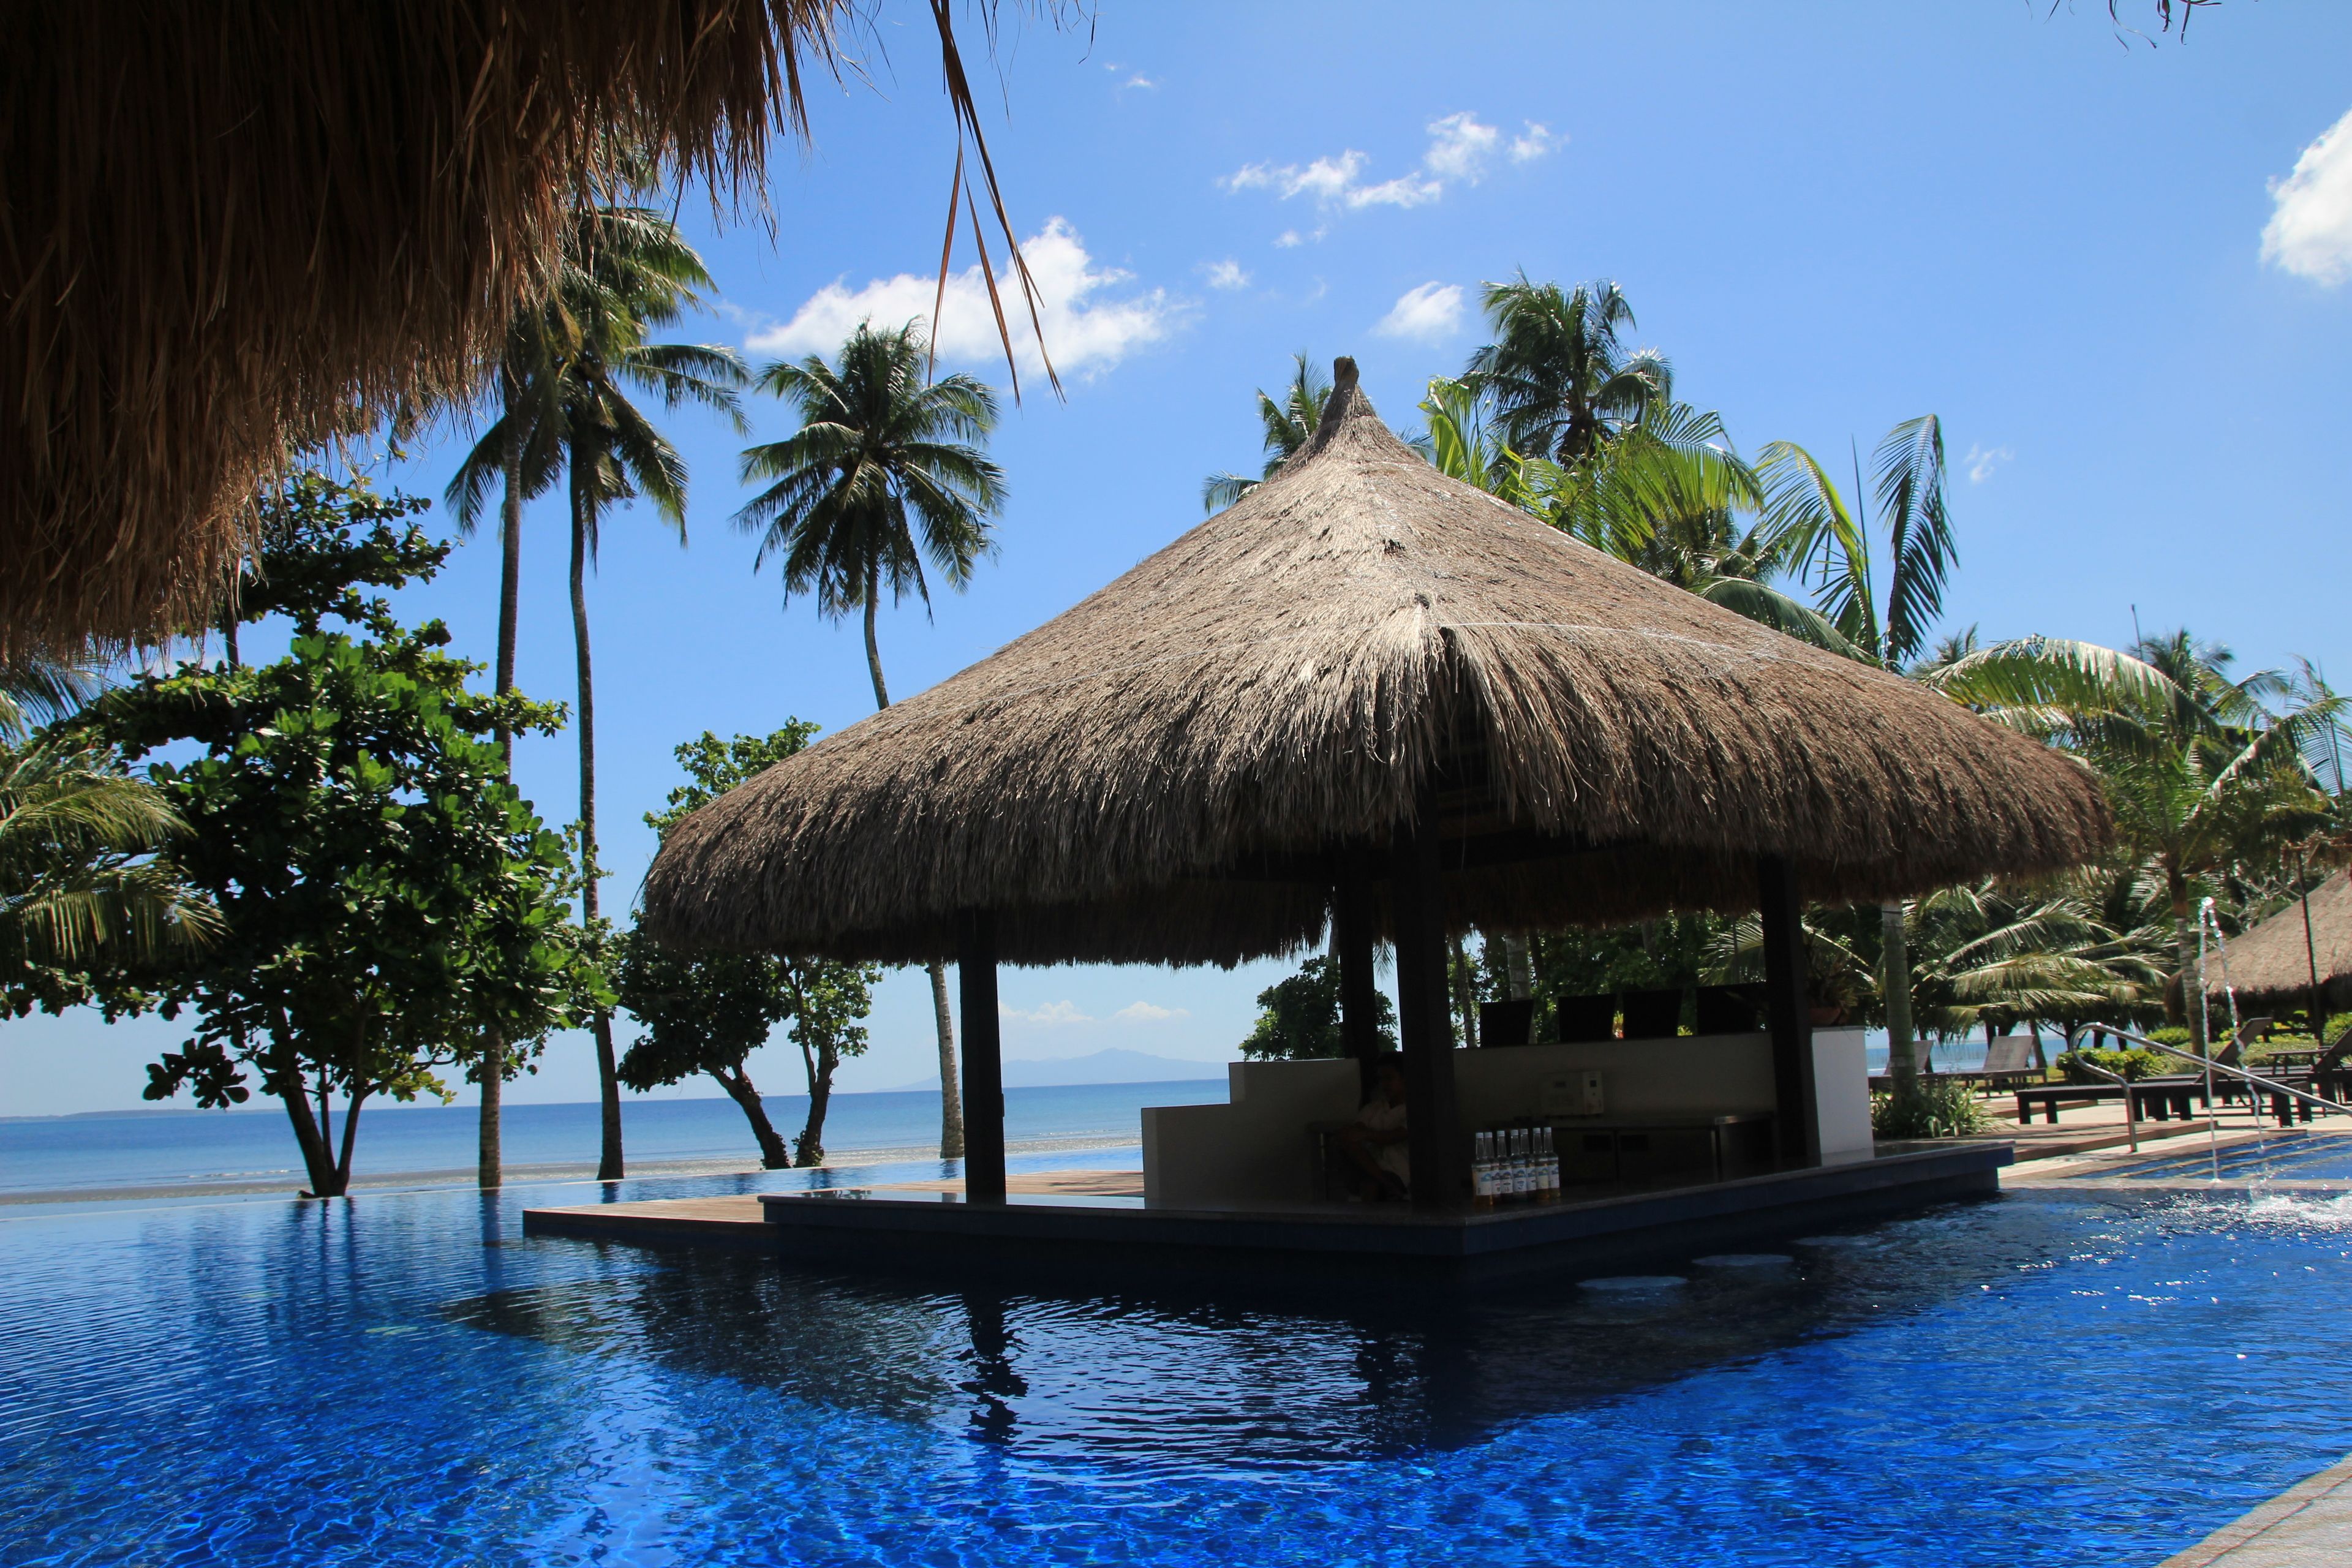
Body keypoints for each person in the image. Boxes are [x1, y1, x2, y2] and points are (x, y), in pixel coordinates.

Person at [1336, 1055, 1410, 1200]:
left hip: (1400, 1171)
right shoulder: (1374, 1108)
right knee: (1344, 1141)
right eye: (1381, 1079)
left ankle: (1385, 1183)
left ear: (1404, 1079)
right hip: (1369, 1166)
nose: (1384, 1084)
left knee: (1370, 1186)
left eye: (1389, 1079)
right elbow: (1353, 1132)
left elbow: (1394, 1137)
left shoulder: (1415, 1110)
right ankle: (1385, 1183)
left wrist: (1365, 1135)